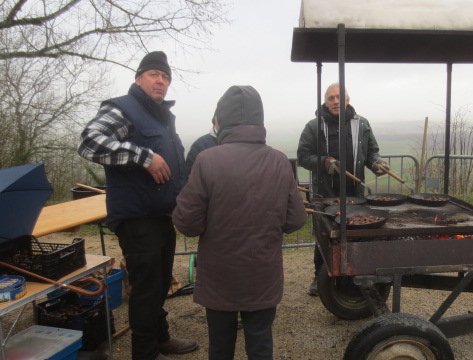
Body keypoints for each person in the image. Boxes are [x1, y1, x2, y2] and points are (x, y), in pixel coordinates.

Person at [172, 85, 308, 360]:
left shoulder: (206, 160)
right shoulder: (280, 161)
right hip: (262, 274)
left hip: (219, 277)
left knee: (220, 347)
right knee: (260, 345)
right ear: (260, 120)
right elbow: (296, 220)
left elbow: (187, 223)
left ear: (220, 120)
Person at [78, 51, 198, 360]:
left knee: (158, 285)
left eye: (166, 77)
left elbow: (176, 169)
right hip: (136, 217)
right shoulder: (123, 109)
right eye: (154, 75)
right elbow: (90, 141)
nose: (161, 81)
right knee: (146, 289)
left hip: (160, 215)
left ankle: (160, 339)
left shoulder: (163, 117)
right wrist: (143, 156)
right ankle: (144, 354)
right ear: (139, 79)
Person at [296, 82, 387, 296]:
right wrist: (324, 162)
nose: (335, 101)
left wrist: (377, 163)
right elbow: (303, 156)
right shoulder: (314, 126)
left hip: (355, 194)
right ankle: (320, 276)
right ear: (326, 102)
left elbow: (372, 152)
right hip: (326, 195)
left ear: (347, 100)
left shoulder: (361, 124)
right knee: (325, 236)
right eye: (331, 98)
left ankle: (357, 275)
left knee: (358, 235)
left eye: (339, 97)